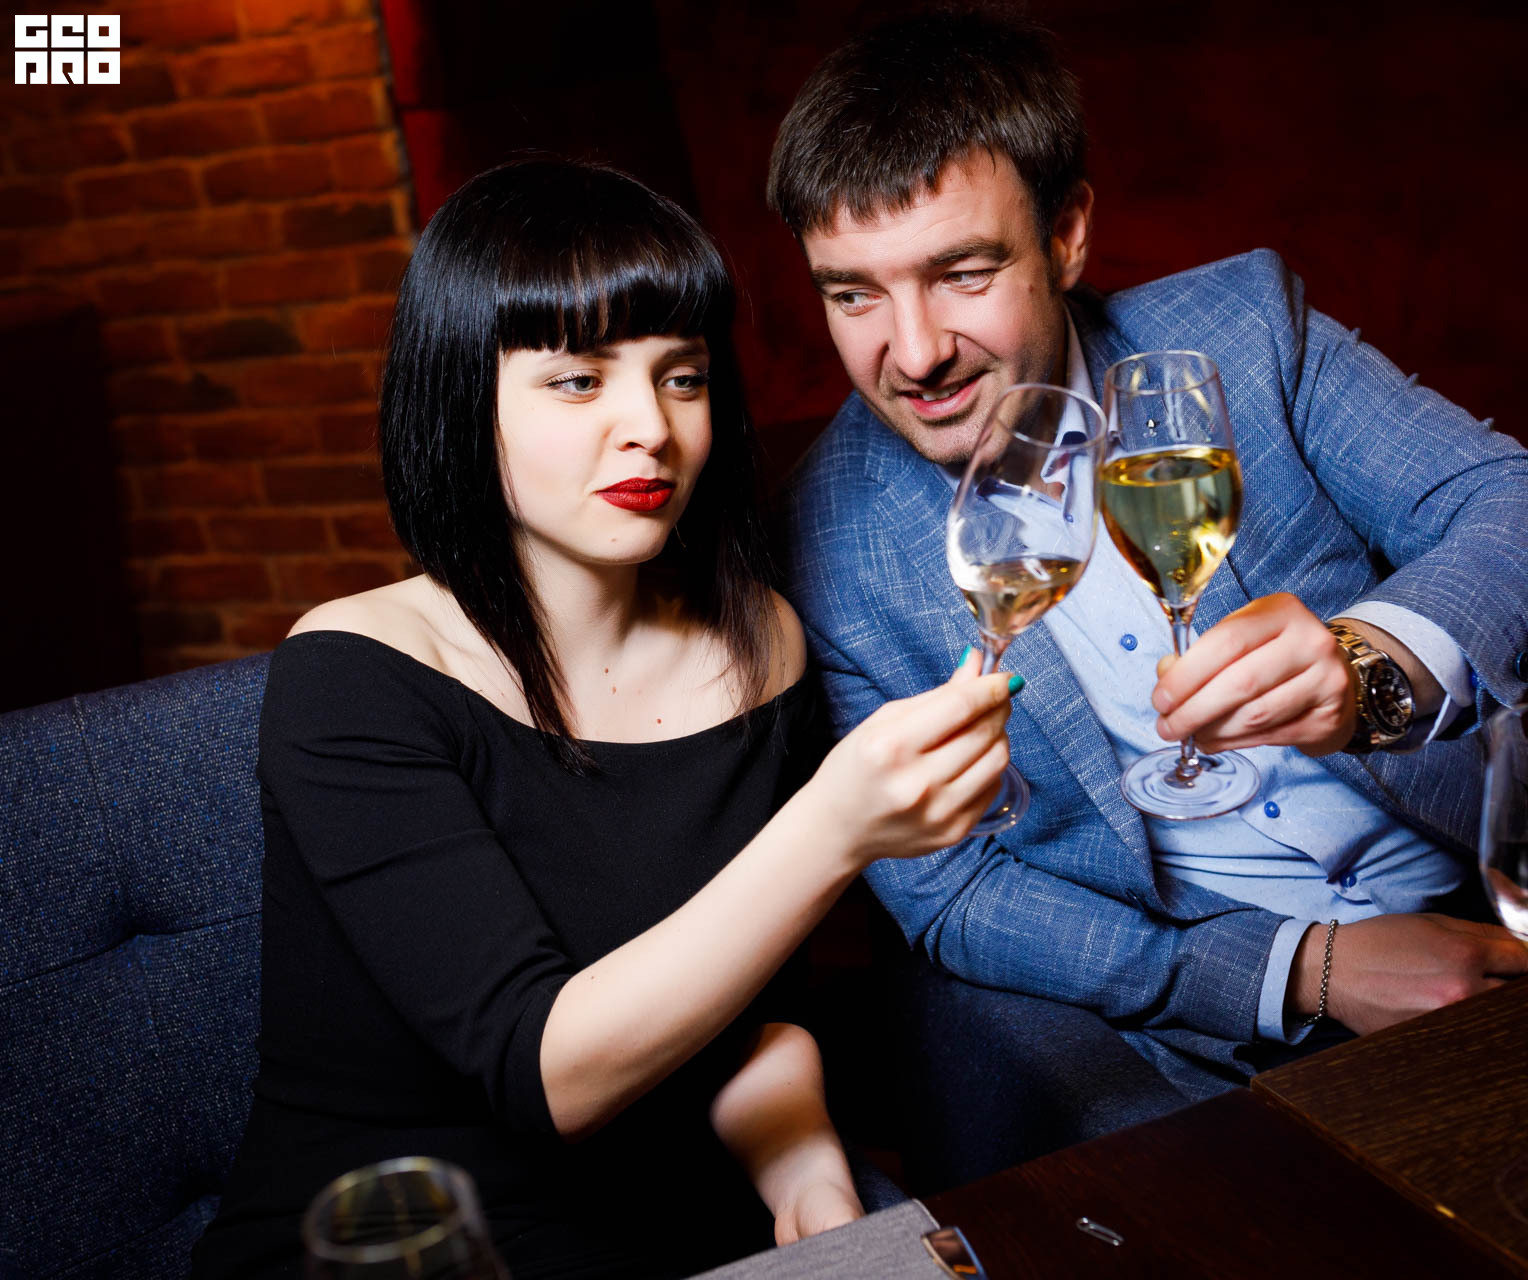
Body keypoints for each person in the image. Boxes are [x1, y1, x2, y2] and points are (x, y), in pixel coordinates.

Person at [769, 10, 1528, 1123]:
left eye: (964, 274)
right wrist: (1306, 969)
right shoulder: (823, 543)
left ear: (1066, 236)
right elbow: (954, 894)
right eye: (853, 294)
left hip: (1508, 892)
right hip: (1221, 1034)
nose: (916, 352)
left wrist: (1370, 667)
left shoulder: (1246, 330)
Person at [191, 158, 1015, 1278]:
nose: (651, 428)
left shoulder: (760, 640)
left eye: (682, 377)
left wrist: (807, 1171)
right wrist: (834, 827)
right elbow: (547, 1072)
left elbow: (751, 1015)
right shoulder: (353, 673)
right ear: (461, 398)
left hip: (673, 1228)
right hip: (399, 1246)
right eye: (578, 381)